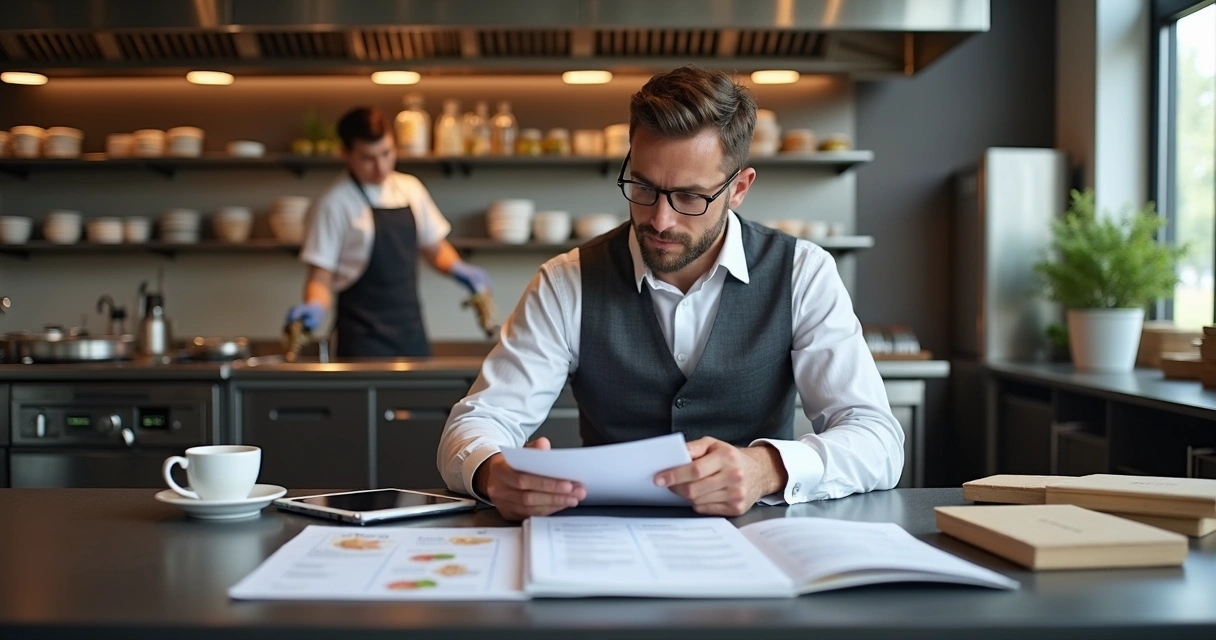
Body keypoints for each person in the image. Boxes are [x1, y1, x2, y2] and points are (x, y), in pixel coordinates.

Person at [437, 65, 903, 520]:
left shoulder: (803, 272)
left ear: (739, 188)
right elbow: (476, 422)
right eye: (643, 187)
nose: (660, 220)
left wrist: (767, 469)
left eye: (689, 197)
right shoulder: (567, 280)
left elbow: (877, 439)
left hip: (762, 542)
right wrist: (494, 473)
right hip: (605, 545)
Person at [287, 107, 490, 357]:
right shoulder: (334, 204)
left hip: (412, 335)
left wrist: (458, 268)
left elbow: (435, 248)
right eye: (368, 158)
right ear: (345, 154)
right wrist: (314, 305)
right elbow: (320, 278)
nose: (381, 167)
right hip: (360, 341)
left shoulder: (410, 189)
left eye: (386, 153)